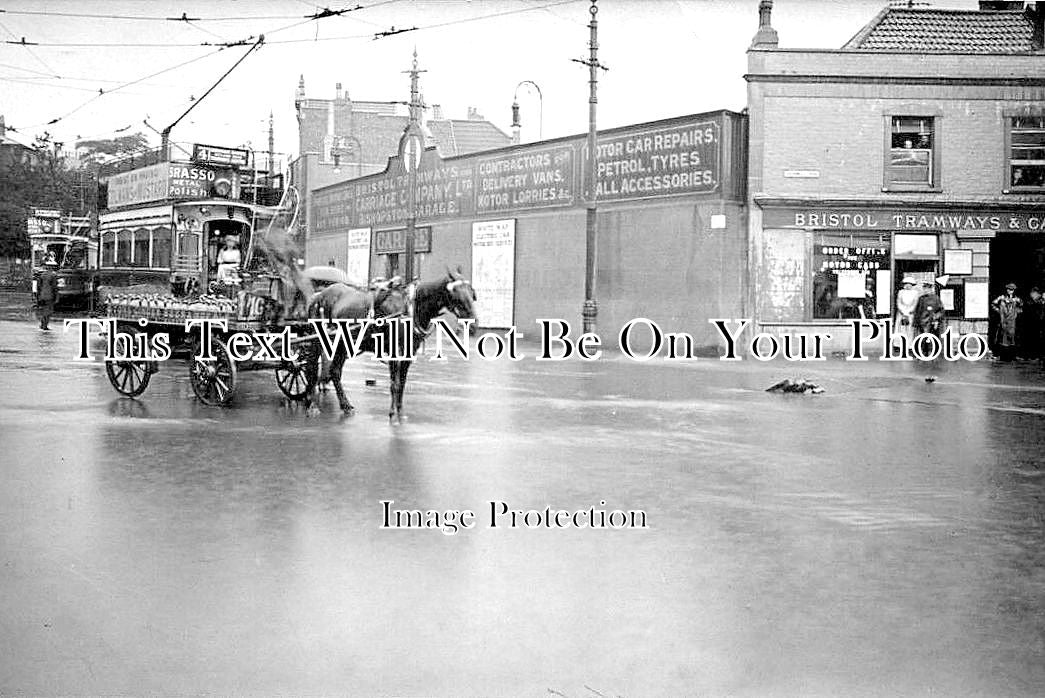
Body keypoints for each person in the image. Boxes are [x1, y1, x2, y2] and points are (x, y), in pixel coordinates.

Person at [991, 282, 1023, 362]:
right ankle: (1002, 356)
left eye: (1012, 290)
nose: (1010, 291)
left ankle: (1012, 356)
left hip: (1012, 322)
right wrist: (999, 311)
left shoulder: (1017, 299)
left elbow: (1021, 307)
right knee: (1003, 339)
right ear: (1006, 290)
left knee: (1012, 339)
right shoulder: (1001, 298)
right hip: (1004, 321)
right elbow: (993, 304)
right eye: (1009, 289)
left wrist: (1016, 312)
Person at [894, 276, 920, 344]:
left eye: (910, 284)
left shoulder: (915, 293)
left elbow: (915, 303)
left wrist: (909, 311)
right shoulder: (901, 292)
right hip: (901, 313)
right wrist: (903, 311)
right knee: (900, 328)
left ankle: (909, 344)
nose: (908, 285)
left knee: (910, 329)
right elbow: (898, 302)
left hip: (910, 313)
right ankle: (898, 344)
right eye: (906, 284)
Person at [35, 258, 59, 331]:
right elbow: (54, 287)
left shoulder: (42, 275)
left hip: (42, 295)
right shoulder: (53, 275)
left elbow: (38, 287)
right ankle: (44, 326)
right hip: (50, 295)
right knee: (49, 311)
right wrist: (57, 297)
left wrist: (38, 296)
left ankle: (43, 325)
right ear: (52, 267)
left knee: (44, 310)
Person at [1022, 286, 1044, 362]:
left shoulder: (1040, 301)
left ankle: (1036, 355)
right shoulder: (1029, 302)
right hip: (1030, 324)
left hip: (1038, 324)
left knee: (1037, 340)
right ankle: (1030, 355)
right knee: (1030, 340)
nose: (1033, 295)